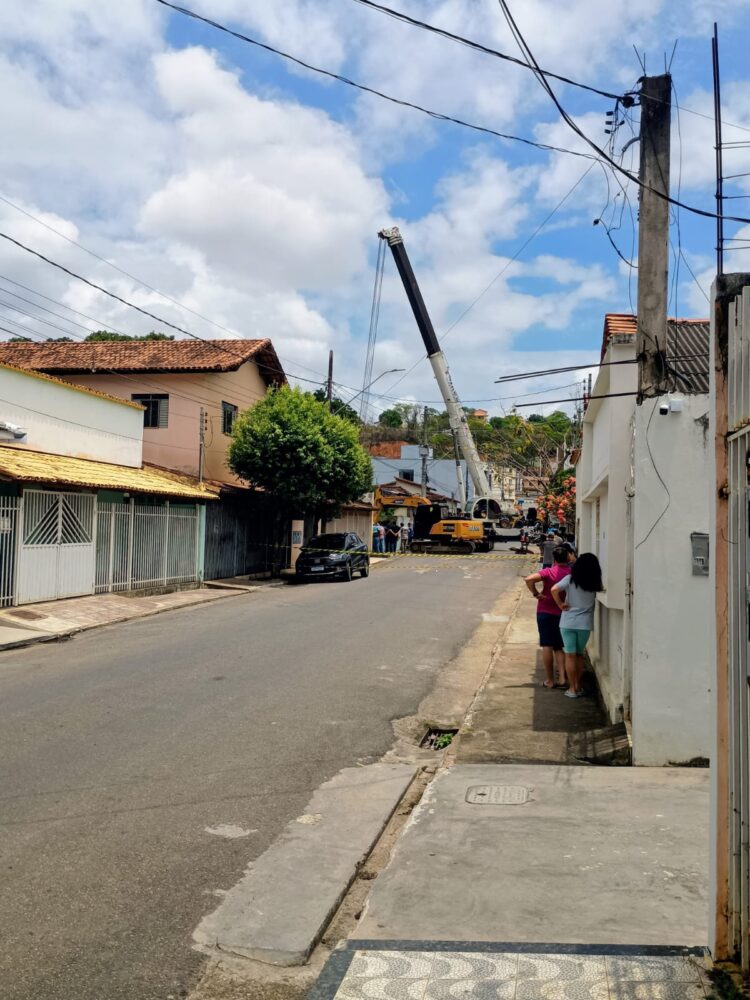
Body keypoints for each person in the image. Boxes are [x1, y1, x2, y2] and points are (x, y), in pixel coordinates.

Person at [551, 552, 603, 699]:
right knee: (579, 655)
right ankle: (578, 687)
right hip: (584, 624)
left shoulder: (570, 579)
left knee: (569, 655)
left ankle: (572, 689)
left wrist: (561, 604)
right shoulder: (595, 583)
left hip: (567, 623)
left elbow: (554, 589)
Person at [525, 546, 572, 689]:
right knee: (559, 646)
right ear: (568, 558)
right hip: (563, 612)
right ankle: (563, 678)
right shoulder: (571, 573)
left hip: (545, 611)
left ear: (554, 559)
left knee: (547, 645)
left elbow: (528, 579)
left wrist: (536, 593)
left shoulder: (549, 572)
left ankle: (550, 681)